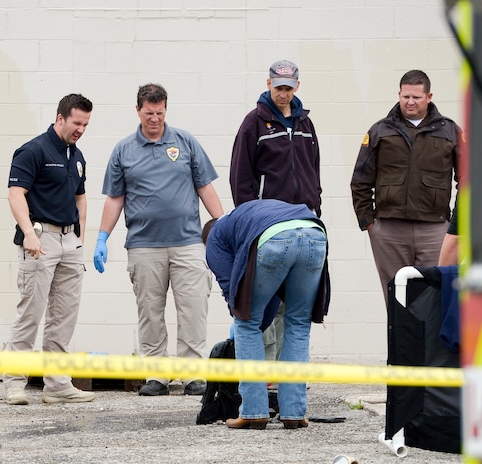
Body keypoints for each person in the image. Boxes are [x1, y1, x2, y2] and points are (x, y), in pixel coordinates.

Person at [93, 83, 223, 397]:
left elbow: (205, 186)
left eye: (160, 113)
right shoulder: (124, 150)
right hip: (143, 246)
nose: (155, 119)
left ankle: (193, 373)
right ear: (137, 110)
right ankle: (156, 374)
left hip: (189, 243)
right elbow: (115, 198)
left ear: (166, 109)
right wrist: (102, 237)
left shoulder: (185, 142)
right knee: (150, 311)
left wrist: (222, 224)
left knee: (193, 307)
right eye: (149, 113)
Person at [202, 199, 329, 430]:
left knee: (246, 323)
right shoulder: (243, 217)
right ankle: (293, 413)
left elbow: (234, 293)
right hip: (314, 231)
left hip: (274, 237)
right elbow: (268, 298)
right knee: (298, 324)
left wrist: (245, 324)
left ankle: (253, 412)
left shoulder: (214, 238)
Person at [3, 93, 95, 405]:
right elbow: (16, 193)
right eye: (76, 122)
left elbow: (80, 197)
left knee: (64, 315)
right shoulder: (34, 150)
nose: (81, 128)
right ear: (60, 119)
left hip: (70, 242)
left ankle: (57, 384)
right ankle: (14, 384)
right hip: (41, 240)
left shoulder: (77, 156)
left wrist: (80, 236)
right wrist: (28, 233)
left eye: (85, 123)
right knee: (31, 311)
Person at [230, 59, 322, 363]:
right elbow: (240, 176)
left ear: (297, 86)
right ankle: (266, 367)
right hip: (267, 225)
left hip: (303, 222)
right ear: (268, 84)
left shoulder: (305, 124)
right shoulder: (253, 123)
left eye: (289, 88)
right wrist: (249, 220)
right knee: (264, 300)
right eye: (278, 88)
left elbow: (313, 169)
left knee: (294, 303)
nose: (283, 94)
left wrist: (315, 206)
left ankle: (288, 370)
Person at [350, 69, 463, 302]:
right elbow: (360, 181)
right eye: (405, 96)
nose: (410, 102)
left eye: (416, 97)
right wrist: (369, 224)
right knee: (396, 300)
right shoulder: (380, 130)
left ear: (429, 97)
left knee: (434, 300)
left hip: (435, 230)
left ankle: (430, 341)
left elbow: (468, 180)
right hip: (389, 230)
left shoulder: (450, 131)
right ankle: (399, 341)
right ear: (399, 94)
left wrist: (456, 225)